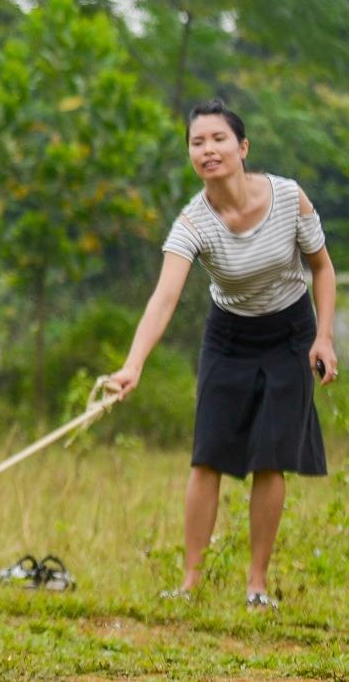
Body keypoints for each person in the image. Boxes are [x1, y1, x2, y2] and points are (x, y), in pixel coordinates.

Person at [106, 100, 337, 609]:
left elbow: (321, 268)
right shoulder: (193, 223)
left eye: (218, 139)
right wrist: (133, 365)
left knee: (271, 458)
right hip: (229, 337)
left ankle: (256, 584)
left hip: (291, 333)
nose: (207, 150)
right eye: (197, 142)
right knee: (207, 456)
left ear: (242, 147)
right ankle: (189, 582)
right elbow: (164, 297)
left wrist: (323, 337)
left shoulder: (287, 197)